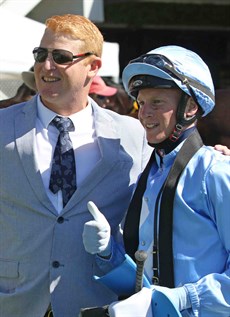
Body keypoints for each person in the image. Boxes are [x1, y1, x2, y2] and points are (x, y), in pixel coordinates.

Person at [0, 14, 152, 317]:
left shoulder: (132, 135)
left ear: (93, 67)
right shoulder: (3, 125)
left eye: (61, 57)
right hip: (13, 301)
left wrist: (215, 156)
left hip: (95, 301)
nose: (46, 66)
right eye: (41, 54)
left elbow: (168, 188)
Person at [83, 45, 230, 316]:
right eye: (142, 102)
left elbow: (165, 296)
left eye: (157, 103)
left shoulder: (217, 172)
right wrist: (108, 255)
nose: (143, 112)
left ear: (190, 108)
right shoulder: (148, 175)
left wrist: (182, 298)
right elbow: (144, 281)